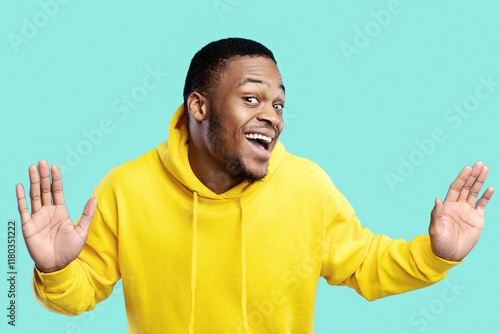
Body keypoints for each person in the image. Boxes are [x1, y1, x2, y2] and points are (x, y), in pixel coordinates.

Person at [16, 38, 494, 334]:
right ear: (198, 108)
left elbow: (365, 264)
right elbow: (78, 295)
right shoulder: (127, 187)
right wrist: (56, 269)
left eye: (279, 104)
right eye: (251, 98)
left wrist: (437, 256)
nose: (272, 115)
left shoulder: (307, 185)